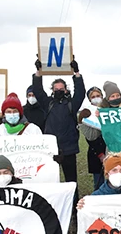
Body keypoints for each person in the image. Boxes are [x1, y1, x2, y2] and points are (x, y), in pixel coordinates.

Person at [31, 57, 85, 195]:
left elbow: (80, 93)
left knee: (71, 182)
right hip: (50, 150)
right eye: (56, 89)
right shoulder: (47, 103)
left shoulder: (72, 105)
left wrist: (77, 73)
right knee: (50, 182)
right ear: (52, 90)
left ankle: (74, 209)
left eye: (61, 88)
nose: (59, 90)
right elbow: (38, 90)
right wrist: (38, 72)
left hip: (69, 149)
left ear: (66, 90)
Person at [79, 86, 108, 190]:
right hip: (96, 153)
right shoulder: (87, 113)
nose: (96, 98)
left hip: (110, 150)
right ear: (90, 99)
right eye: (93, 97)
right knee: (99, 183)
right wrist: (101, 155)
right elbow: (90, 138)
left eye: (98, 96)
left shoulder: (108, 110)